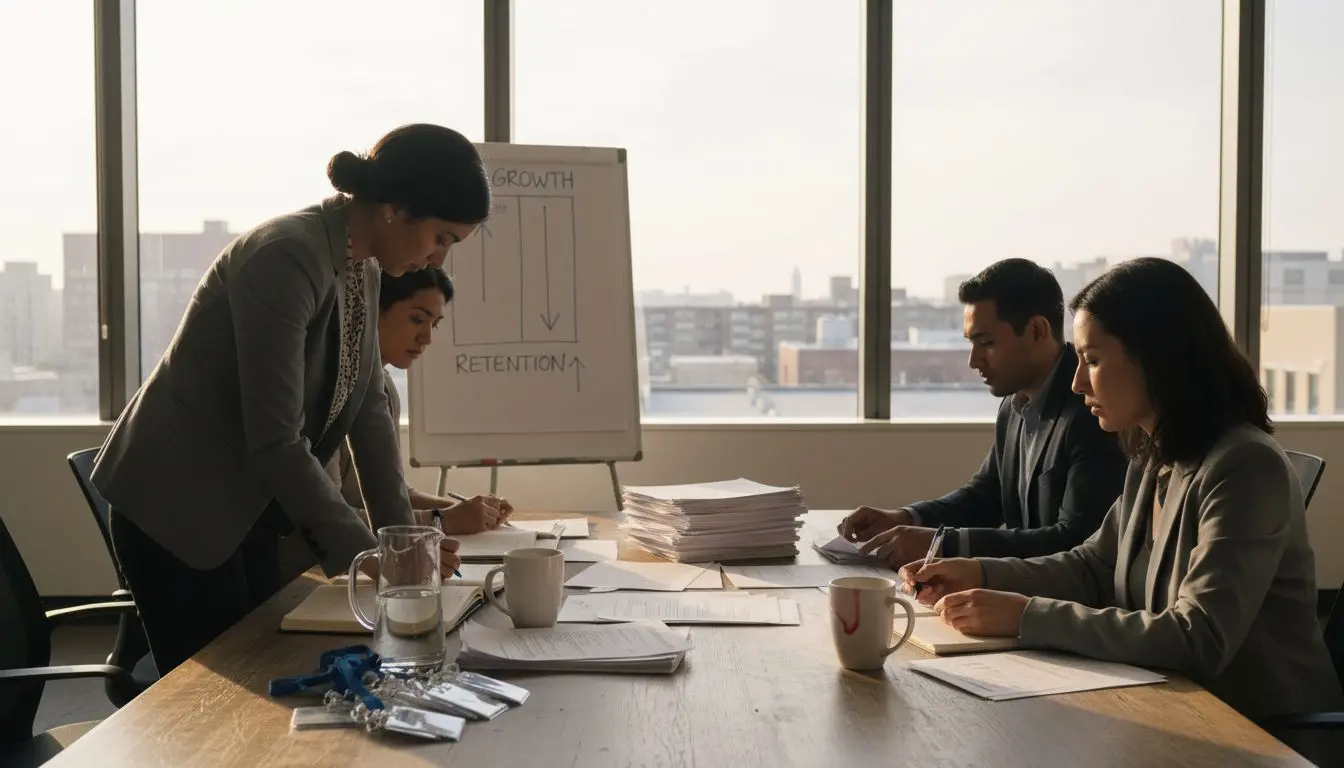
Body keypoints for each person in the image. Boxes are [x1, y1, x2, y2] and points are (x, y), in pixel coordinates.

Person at [91, 124, 487, 674]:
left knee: (266, 668)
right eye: (442, 238)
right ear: (397, 209)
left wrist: (405, 546)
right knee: (215, 707)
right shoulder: (285, 255)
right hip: (178, 507)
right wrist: (376, 556)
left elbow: (369, 408)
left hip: (247, 507)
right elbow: (277, 439)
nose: (439, 259)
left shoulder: (364, 266)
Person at [903, 257, 1342, 720]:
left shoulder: (1245, 467)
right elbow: (1092, 565)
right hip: (1171, 705)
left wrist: (1025, 615)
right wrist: (980, 573)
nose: (1076, 381)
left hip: (1264, 733)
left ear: (1157, 358)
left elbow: (1199, 637)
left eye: (1091, 360)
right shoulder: (1151, 456)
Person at [839, 258, 1126, 567]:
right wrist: (905, 516)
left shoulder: (1094, 410)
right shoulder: (1014, 405)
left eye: (986, 343)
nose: (973, 361)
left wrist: (944, 544)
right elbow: (985, 496)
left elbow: (1075, 540)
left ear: (1037, 330)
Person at [326, 266, 514, 533]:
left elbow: (391, 494)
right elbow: (323, 519)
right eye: (417, 319)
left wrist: (469, 511)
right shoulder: (327, 388)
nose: (427, 338)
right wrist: (441, 520)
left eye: (433, 324)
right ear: (372, 310)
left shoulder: (384, 386)